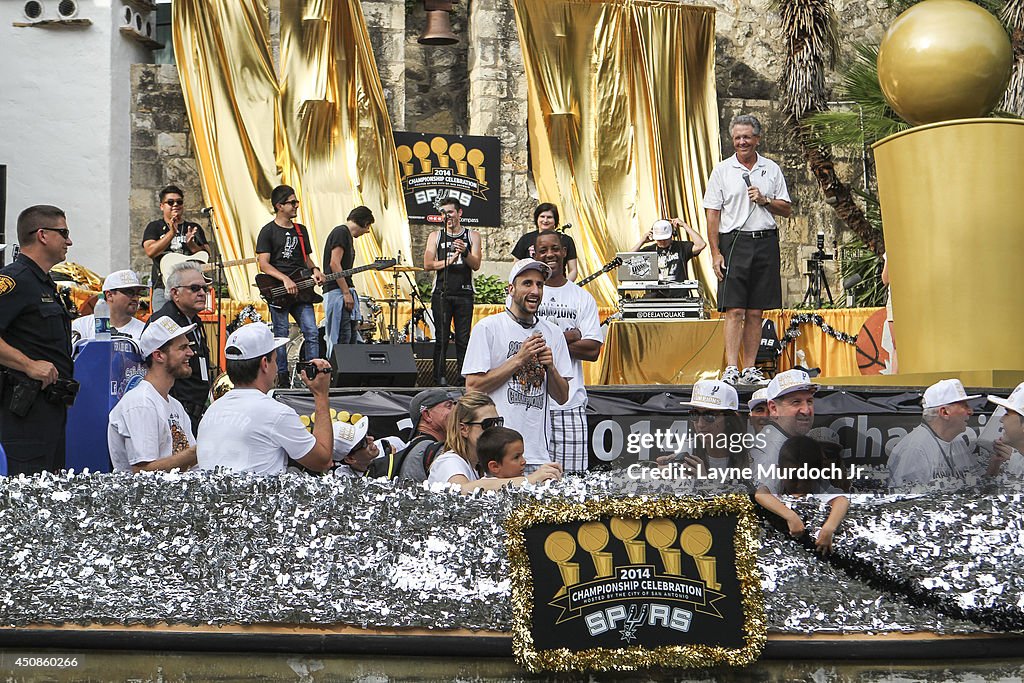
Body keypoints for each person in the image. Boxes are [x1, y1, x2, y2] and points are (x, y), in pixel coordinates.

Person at [703, 114, 792, 387]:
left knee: (756, 312)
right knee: (735, 310)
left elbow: (786, 208)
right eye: (737, 137)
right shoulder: (722, 170)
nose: (742, 142)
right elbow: (712, 215)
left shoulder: (771, 168)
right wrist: (715, 252)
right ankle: (732, 367)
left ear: (757, 139)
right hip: (734, 242)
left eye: (747, 137)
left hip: (765, 241)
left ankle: (750, 368)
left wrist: (765, 200)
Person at [463, 259, 572, 471]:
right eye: (527, 283)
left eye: (540, 285)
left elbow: (562, 396)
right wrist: (519, 360)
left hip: (537, 453)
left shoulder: (553, 333)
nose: (535, 290)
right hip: (496, 455)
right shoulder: (488, 327)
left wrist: (551, 368)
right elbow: (473, 387)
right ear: (511, 289)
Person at [0, 205, 77, 475]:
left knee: (50, 493)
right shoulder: (14, 280)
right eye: (63, 232)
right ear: (42, 235)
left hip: (49, 406)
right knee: (29, 494)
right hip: (23, 411)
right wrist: (29, 364)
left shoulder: (43, 283)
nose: (68, 241)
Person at [196, 323, 333, 474]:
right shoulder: (276, 413)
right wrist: (321, 395)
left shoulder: (212, 411)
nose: (276, 367)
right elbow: (323, 461)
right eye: (274, 360)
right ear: (264, 364)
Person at [534, 232, 603, 473]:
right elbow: (520, 344)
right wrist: (569, 337)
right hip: (530, 404)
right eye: (543, 250)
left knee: (572, 480)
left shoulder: (581, 297)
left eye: (554, 249)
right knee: (529, 481)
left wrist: (549, 343)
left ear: (564, 252)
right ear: (535, 254)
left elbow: (593, 349)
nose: (549, 254)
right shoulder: (528, 294)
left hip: (570, 403)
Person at [106, 316, 198, 473]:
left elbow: (193, 465)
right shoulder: (141, 403)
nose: (191, 353)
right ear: (159, 355)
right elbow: (143, 472)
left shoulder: (174, 404)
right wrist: (196, 452)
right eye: (182, 348)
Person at [256, 185, 325, 388]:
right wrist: (285, 279)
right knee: (281, 335)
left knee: (311, 332)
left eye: (296, 202)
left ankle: (311, 375)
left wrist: (316, 270)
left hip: (302, 290)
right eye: (292, 202)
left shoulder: (300, 231)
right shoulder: (268, 231)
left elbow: (306, 259)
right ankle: (282, 378)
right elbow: (264, 264)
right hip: (279, 291)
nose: (296, 206)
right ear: (280, 206)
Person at [426, 391, 562, 492]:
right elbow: (462, 490)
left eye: (498, 422)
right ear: (464, 429)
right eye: (488, 424)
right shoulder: (449, 461)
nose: (495, 429)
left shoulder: (476, 466)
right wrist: (530, 480)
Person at [754, 435, 849, 554]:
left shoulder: (819, 484)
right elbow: (760, 494)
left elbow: (841, 501)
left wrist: (829, 528)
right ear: (780, 471)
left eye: (806, 479)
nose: (799, 486)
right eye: (793, 478)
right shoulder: (775, 479)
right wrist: (790, 516)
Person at [423, 197, 481, 386]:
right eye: (443, 213)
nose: (447, 216)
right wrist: (447, 262)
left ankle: (463, 378)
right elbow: (427, 264)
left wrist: (464, 252)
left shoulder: (472, 236)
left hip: (464, 292)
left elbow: (476, 264)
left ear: (459, 213)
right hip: (441, 292)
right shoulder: (436, 236)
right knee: (442, 337)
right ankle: (439, 378)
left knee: (463, 338)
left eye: (450, 212)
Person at [149, 261, 212, 433]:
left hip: (196, 411)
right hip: (176, 411)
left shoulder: (193, 319)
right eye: (194, 288)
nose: (202, 293)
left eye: (204, 288)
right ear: (175, 293)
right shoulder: (164, 323)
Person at [887, 379, 981, 486]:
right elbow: (907, 499)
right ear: (944, 412)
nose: (971, 411)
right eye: (964, 406)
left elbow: (977, 486)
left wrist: (995, 462)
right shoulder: (915, 450)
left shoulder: (957, 440)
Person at [142, 185, 210, 313]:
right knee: (163, 322)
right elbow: (150, 251)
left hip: (189, 288)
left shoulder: (193, 227)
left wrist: (192, 245)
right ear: (162, 206)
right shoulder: (154, 226)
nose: (175, 205)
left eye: (179, 202)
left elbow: (206, 255)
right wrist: (171, 233)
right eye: (170, 202)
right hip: (163, 286)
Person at [367, 387, 458, 480]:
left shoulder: (414, 447)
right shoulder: (432, 450)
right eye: (449, 406)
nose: (457, 411)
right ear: (427, 415)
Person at [750, 369, 817, 495]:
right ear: (774, 409)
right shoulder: (766, 449)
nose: (806, 410)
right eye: (796, 402)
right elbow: (763, 498)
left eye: (809, 401)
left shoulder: (800, 438)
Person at [323, 206, 373, 358]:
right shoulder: (341, 232)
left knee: (350, 337)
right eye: (368, 226)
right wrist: (346, 292)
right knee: (342, 337)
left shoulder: (346, 236)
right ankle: (339, 377)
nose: (368, 231)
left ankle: (348, 375)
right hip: (337, 292)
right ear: (364, 223)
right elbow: (334, 264)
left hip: (343, 290)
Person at [630, 218, 706, 294]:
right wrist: (642, 241)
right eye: (660, 239)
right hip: (656, 297)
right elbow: (627, 259)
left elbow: (701, 244)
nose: (663, 241)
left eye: (666, 239)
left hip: (679, 296)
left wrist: (684, 225)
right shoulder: (650, 250)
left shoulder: (681, 247)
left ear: (672, 234)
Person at [71, 269, 146, 343]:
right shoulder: (82, 326)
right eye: (130, 292)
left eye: (138, 293)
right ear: (109, 295)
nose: (135, 298)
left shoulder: (145, 331)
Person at [511, 203, 579, 281]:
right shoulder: (526, 239)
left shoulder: (566, 240)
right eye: (542, 217)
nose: (545, 220)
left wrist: (564, 287)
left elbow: (573, 270)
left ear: (555, 220)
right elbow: (516, 266)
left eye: (549, 217)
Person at [986, 382, 1024, 477]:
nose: (1001, 419)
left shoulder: (1015, 461)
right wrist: (993, 470)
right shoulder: (1010, 459)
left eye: (1007, 414)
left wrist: (1015, 464)